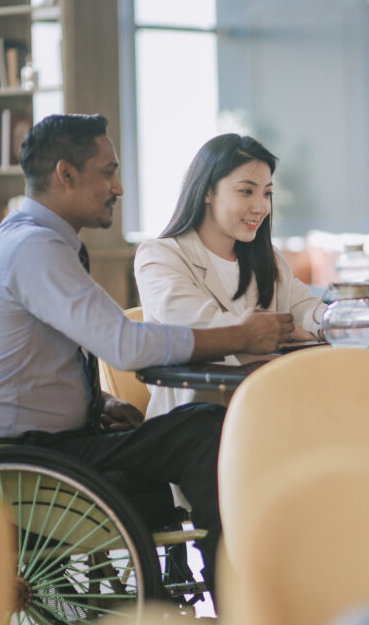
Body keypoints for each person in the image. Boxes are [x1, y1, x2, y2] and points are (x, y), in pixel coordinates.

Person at [0, 114, 293, 601]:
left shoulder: (27, 239)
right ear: (66, 175)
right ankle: (238, 607)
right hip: (35, 456)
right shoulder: (34, 249)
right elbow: (126, 346)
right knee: (202, 429)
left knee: (194, 427)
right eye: (108, 171)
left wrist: (94, 402)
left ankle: (229, 588)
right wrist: (239, 335)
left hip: (45, 440)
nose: (118, 187)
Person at [134, 133, 324, 418]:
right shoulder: (160, 257)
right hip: (195, 426)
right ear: (208, 191)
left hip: (269, 413)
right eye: (246, 191)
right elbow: (205, 329)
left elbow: (310, 310)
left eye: (267, 193)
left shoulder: (270, 262)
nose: (261, 207)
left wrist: (339, 321)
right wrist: (286, 331)